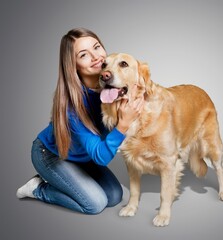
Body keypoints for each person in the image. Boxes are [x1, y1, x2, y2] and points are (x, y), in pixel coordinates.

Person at [16, 28, 144, 214]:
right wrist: (123, 124)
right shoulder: (71, 106)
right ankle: (39, 188)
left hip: (83, 155)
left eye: (97, 47)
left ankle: (64, 179)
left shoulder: (113, 85)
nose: (96, 57)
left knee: (115, 196)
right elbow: (101, 157)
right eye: (83, 55)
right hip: (51, 154)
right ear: (73, 65)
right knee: (95, 204)